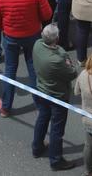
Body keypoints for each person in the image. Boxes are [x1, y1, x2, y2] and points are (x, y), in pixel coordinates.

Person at [0, 0, 52, 117]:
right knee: (33, 69)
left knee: (10, 70)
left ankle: (6, 107)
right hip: (32, 36)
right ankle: (39, 105)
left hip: (10, 36)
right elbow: (47, 14)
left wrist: (5, 26)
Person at [32, 23, 77, 169]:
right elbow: (72, 73)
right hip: (57, 95)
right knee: (57, 129)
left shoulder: (37, 45)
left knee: (42, 118)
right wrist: (67, 59)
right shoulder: (57, 59)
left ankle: (37, 148)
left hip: (41, 90)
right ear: (56, 39)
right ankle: (56, 160)